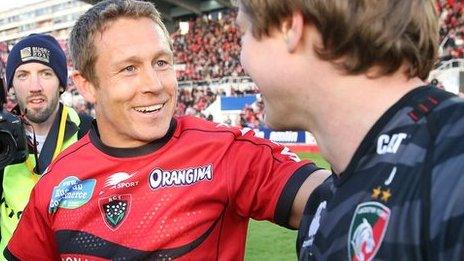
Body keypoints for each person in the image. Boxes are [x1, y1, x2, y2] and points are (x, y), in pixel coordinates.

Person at [5, 1, 330, 260]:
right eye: (129, 68)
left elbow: (343, 199)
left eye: (161, 62)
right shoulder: (55, 182)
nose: (155, 85)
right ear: (87, 86)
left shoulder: (224, 152)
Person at [235, 0, 464, 260]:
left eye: (243, 33)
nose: (242, 60)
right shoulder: (323, 206)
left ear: (290, 28)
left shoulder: (453, 165)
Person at [0, 34, 92, 257]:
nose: (35, 86)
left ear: (61, 83)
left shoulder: (91, 132)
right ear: (11, 86)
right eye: (22, 75)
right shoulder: (1, 138)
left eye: (45, 73)